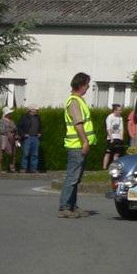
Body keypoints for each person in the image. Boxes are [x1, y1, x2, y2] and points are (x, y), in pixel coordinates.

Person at [60, 71, 95, 218]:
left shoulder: (78, 100)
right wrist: (85, 142)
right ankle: (65, 207)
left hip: (78, 144)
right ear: (81, 85)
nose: (88, 88)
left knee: (76, 178)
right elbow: (78, 124)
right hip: (76, 145)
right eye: (87, 85)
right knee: (72, 178)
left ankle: (72, 205)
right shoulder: (74, 101)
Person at [16, 105, 42, 173]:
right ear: (31, 110)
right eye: (36, 109)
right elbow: (19, 126)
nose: (37, 111)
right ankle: (23, 168)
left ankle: (33, 169)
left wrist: (40, 133)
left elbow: (40, 126)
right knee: (25, 154)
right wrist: (23, 134)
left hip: (35, 138)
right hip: (27, 138)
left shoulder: (38, 117)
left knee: (35, 154)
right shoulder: (24, 117)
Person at [102, 103, 125, 170]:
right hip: (111, 138)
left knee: (117, 153)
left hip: (118, 137)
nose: (120, 111)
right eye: (119, 110)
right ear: (115, 110)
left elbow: (121, 129)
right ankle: (104, 167)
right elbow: (108, 128)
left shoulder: (120, 118)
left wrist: (121, 138)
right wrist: (111, 138)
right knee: (108, 153)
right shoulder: (110, 117)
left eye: (121, 110)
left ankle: (114, 167)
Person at [0, 107, 17, 172]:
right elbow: (2, 130)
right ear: (6, 114)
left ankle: (11, 167)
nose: (10, 114)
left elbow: (15, 129)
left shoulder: (12, 121)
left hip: (12, 138)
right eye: (9, 113)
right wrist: (11, 130)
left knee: (12, 153)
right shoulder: (1, 120)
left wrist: (15, 135)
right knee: (1, 153)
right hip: (3, 138)